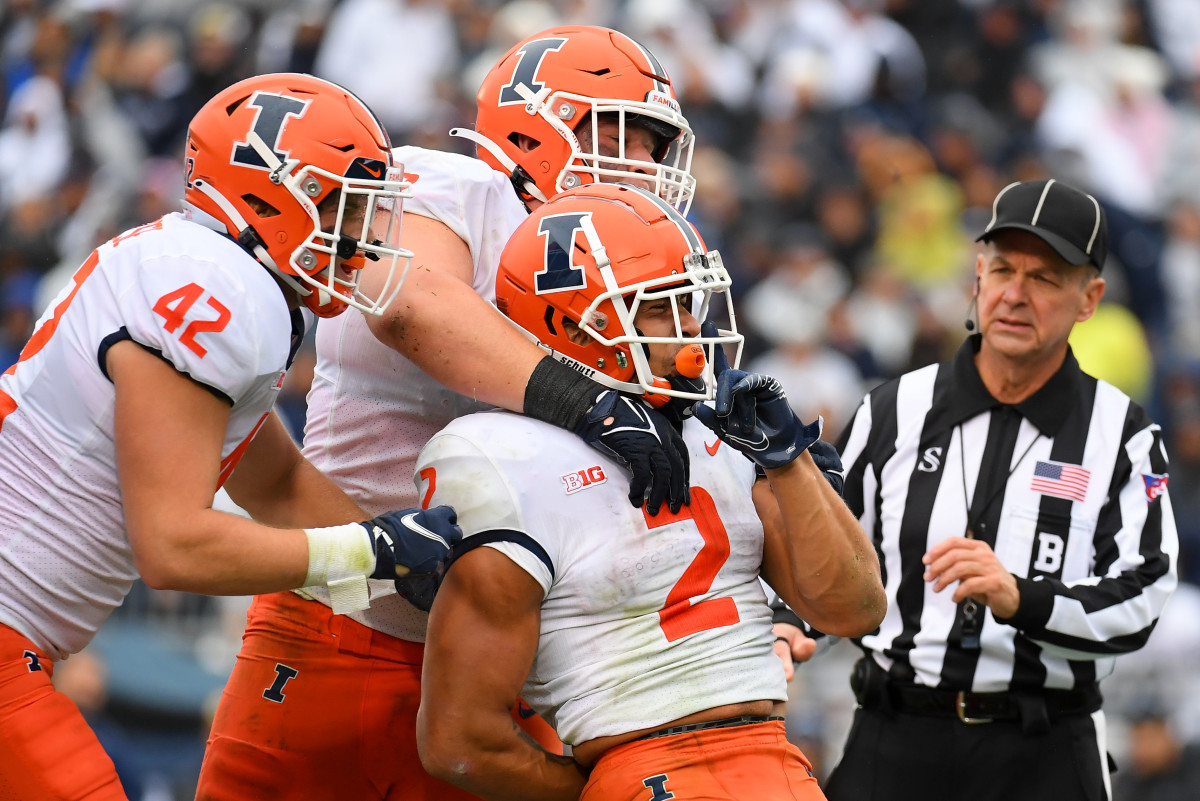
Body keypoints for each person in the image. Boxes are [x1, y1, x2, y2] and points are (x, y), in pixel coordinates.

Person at [197, 26, 702, 800]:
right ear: (537, 125)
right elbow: (408, 306)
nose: (641, 162)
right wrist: (586, 400)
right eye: (619, 130)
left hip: (508, 666)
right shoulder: (453, 188)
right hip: (346, 631)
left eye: (653, 142)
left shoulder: (634, 261)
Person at [0, 73, 465, 799]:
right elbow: (173, 544)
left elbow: (275, 483)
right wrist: (371, 550)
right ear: (267, 195)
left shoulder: (205, 269)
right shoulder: (218, 286)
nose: (361, 234)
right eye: (342, 203)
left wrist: (423, 574)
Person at [415, 182, 886, 801]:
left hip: (777, 758)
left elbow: (855, 610)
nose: (692, 329)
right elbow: (460, 744)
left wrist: (789, 461)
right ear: (572, 325)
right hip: (640, 762)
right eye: (663, 307)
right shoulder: (499, 457)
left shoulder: (718, 425)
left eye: (689, 303)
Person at [823, 178, 1179, 801]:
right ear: (977, 276)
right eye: (1003, 269)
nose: (1015, 295)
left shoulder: (1123, 436)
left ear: (1089, 298)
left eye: (1045, 278)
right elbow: (827, 551)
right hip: (893, 733)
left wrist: (1023, 599)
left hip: (1041, 748)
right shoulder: (892, 410)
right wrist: (792, 626)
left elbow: (1143, 596)